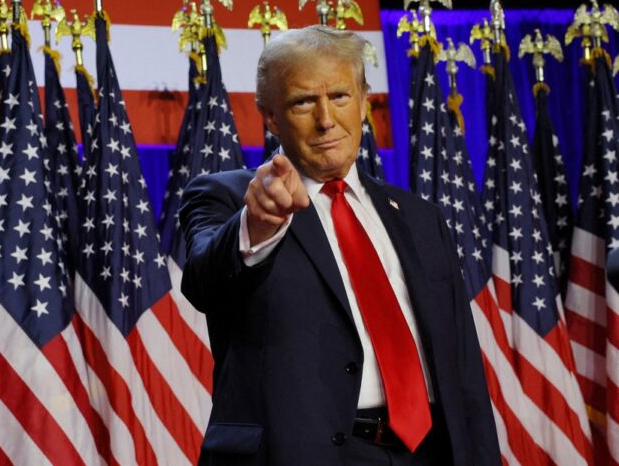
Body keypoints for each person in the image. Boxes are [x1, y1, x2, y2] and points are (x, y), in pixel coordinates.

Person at [179, 25, 501, 466]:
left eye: (340, 97)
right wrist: (259, 223)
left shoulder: (420, 218)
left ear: (365, 100)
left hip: (429, 453)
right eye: (303, 102)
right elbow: (203, 281)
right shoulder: (230, 198)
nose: (326, 118)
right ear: (270, 115)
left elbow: (463, 366)